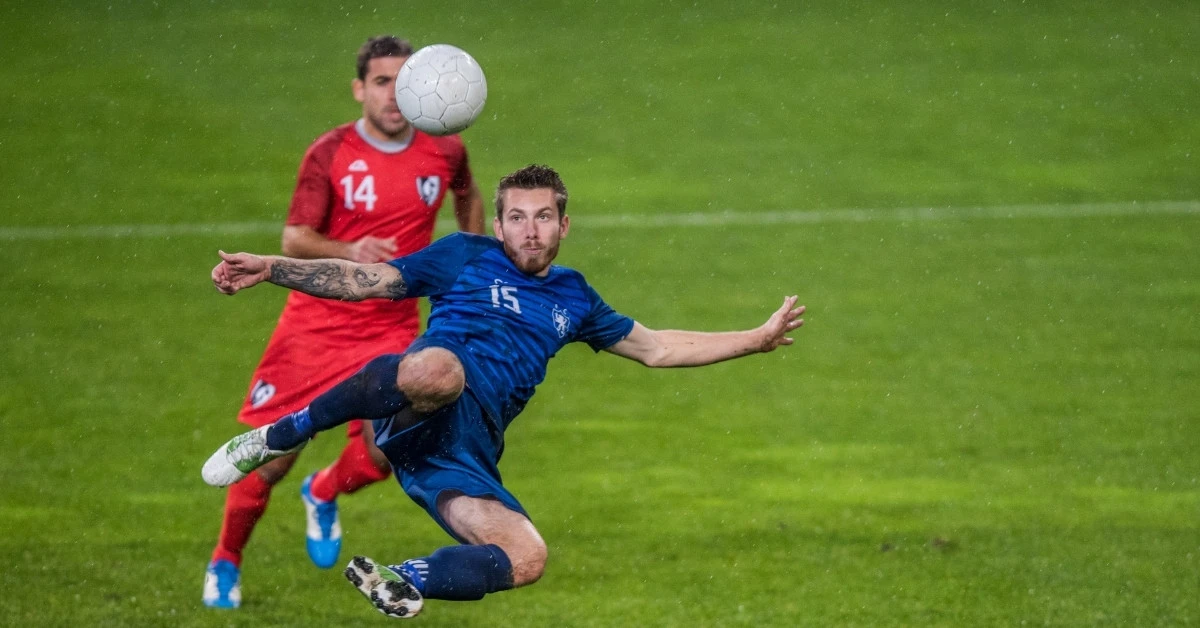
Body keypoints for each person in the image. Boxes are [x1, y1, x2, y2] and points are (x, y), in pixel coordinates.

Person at [202, 164, 805, 618]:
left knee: (526, 556)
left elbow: (657, 348)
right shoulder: (464, 256)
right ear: (497, 224)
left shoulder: (575, 297)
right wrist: (273, 267)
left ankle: (405, 577)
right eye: (517, 217)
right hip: (417, 398)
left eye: (544, 217)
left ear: (564, 225)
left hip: (461, 452)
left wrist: (755, 339)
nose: (530, 230)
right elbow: (365, 280)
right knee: (441, 372)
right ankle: (283, 432)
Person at [202, 35, 487, 609]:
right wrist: (348, 249)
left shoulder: (445, 149)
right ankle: (225, 560)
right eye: (381, 81)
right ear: (360, 88)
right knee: (271, 457)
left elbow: (468, 195)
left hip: (390, 325)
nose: (393, 94)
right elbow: (293, 238)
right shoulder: (329, 153)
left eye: (402, 81)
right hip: (315, 326)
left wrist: (474, 257)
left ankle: (324, 489)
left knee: (389, 455)